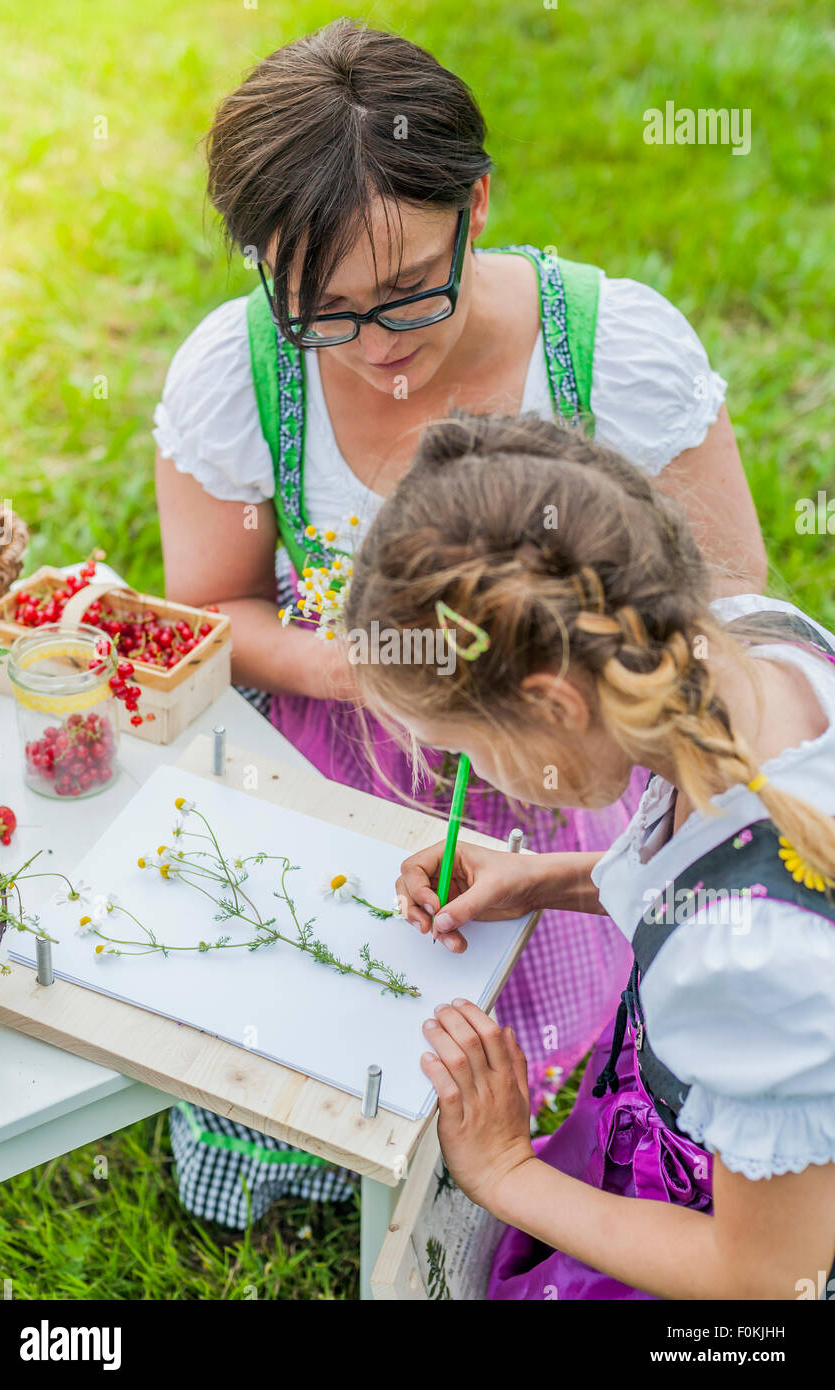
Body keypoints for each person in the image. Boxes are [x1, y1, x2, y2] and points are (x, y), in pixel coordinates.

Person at [153, 19, 766, 1227]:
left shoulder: (607, 353)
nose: (376, 352)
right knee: (314, 996)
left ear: (475, 202)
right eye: (320, 311)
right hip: (336, 752)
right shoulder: (241, 376)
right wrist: (360, 668)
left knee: (511, 1053)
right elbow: (209, 612)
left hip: (567, 764)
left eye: (403, 294)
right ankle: (305, 1159)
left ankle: (497, 1182)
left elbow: (726, 624)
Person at [346, 410, 835, 1299]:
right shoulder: (750, 643)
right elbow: (736, 863)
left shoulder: (744, 966)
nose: (466, 771)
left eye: (464, 747)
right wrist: (551, 879)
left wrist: (504, 1174)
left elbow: (768, 1275)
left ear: (556, 708)